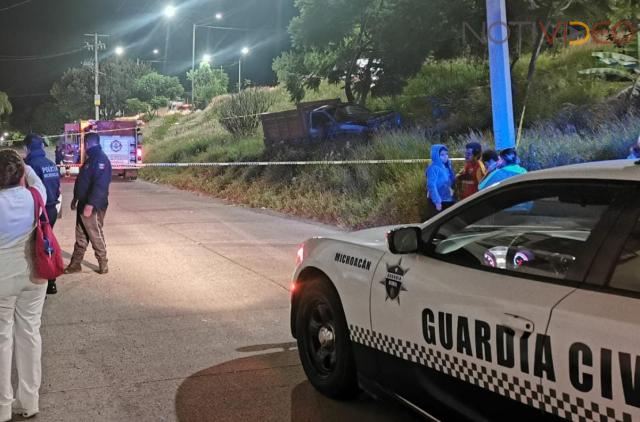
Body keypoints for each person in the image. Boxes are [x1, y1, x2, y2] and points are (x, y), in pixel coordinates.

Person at [0, 149, 48, 421]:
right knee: (30, 334)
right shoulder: (34, 195)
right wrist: (22, 164)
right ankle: (29, 401)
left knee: (2, 339)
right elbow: (32, 175)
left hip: (2, 278)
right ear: (20, 174)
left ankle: (3, 407)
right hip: (35, 275)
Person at [64, 132, 112, 275]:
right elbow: (83, 181)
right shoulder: (91, 159)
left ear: (88, 143)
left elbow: (100, 185)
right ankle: (75, 264)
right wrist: (75, 198)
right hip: (83, 203)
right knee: (81, 236)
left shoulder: (100, 160)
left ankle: (103, 263)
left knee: (94, 234)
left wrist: (90, 205)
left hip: (92, 205)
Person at [24, 134, 61, 295]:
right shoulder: (51, 164)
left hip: (37, 212)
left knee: (36, 248)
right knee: (47, 244)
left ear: (27, 148)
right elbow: (57, 187)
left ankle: (40, 285)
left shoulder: (29, 166)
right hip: (51, 210)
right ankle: (51, 281)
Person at [426, 144, 456, 218]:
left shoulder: (446, 166)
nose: (445, 156)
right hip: (438, 202)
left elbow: (449, 181)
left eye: (446, 154)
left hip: (448, 199)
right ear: (435, 155)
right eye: (442, 155)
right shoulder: (433, 168)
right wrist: (437, 201)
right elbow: (431, 185)